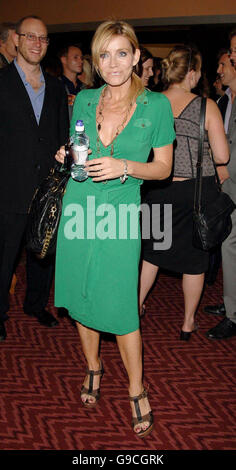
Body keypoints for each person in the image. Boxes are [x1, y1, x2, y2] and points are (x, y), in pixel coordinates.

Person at [54, 19, 175, 437]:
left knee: (122, 306)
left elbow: (164, 167)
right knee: (80, 293)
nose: (112, 63)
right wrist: (67, 153)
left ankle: (137, 388)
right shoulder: (85, 99)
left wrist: (125, 166)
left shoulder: (155, 106)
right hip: (78, 209)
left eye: (121, 53)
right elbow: (79, 149)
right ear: (95, 60)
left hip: (120, 218)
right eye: (104, 54)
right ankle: (93, 366)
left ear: (137, 56)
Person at [139, 46, 229, 341]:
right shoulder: (206, 106)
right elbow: (222, 156)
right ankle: (188, 322)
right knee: (194, 261)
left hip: (157, 188)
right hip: (195, 192)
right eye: (199, 71)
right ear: (191, 73)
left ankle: (135, 307)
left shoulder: (151, 102)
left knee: (152, 254)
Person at [0, 15, 69, 343]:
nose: (36, 43)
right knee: (4, 255)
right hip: (8, 187)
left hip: (47, 188)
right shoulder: (1, 82)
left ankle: (36, 304)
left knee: (44, 251)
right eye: (30, 37)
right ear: (16, 39)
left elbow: (61, 135)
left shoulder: (56, 87)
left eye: (42, 38)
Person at [205, 33, 236, 339]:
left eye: (224, 62)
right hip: (226, 182)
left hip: (232, 179)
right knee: (228, 242)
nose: (221, 69)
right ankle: (231, 305)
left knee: (230, 244)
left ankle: (233, 312)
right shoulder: (225, 99)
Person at [58, 44, 83, 119]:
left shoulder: (85, 88)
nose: (81, 61)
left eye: (81, 58)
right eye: (75, 57)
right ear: (64, 60)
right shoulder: (55, 86)